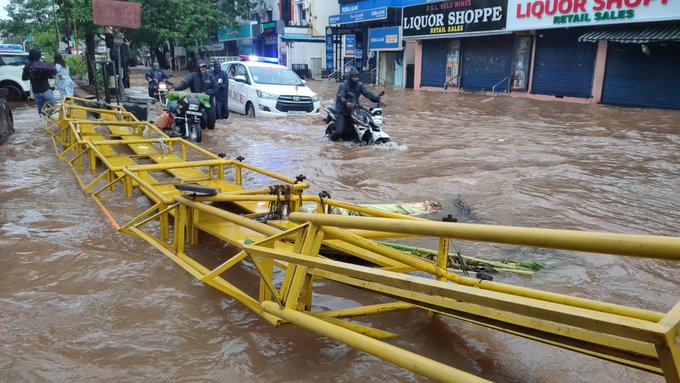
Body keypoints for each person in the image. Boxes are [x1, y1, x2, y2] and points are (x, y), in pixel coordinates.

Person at [329, 67, 382, 141]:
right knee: (340, 131)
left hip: (355, 110)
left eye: (357, 77)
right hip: (343, 111)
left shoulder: (360, 85)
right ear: (350, 77)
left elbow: (368, 93)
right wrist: (346, 103)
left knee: (367, 123)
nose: (356, 79)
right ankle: (329, 140)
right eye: (354, 77)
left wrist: (378, 99)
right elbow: (340, 96)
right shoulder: (343, 85)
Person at [174, 60, 216, 129]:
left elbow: (215, 88)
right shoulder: (192, 76)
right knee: (203, 122)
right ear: (197, 68)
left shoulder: (211, 77)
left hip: (209, 102)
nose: (203, 68)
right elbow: (185, 83)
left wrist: (207, 93)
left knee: (211, 123)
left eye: (204, 67)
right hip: (197, 102)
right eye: (201, 67)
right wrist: (177, 87)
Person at [22, 48, 55, 116]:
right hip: (46, 90)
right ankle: (49, 119)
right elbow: (51, 75)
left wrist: (32, 76)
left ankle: (43, 123)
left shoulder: (27, 66)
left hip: (36, 92)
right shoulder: (43, 64)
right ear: (39, 55)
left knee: (41, 112)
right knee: (53, 107)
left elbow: (24, 78)